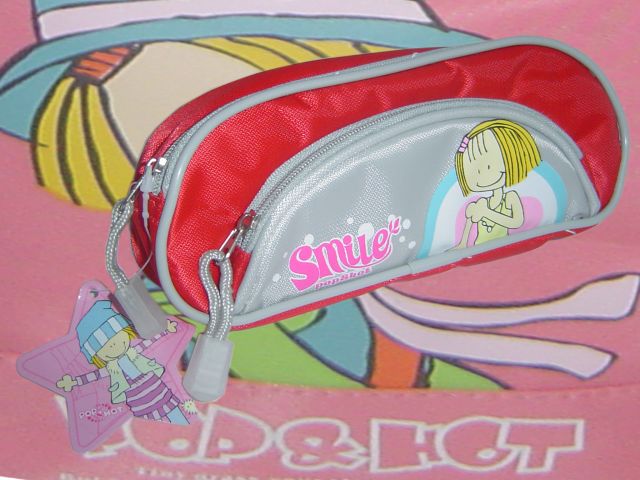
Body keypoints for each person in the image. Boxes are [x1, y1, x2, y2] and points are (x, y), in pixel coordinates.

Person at [56, 300, 189, 424]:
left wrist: (166, 330)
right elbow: (95, 375)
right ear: (97, 356)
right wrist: (74, 382)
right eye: (105, 347)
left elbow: (149, 342)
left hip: (155, 387)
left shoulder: (133, 352)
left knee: (172, 409)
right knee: (149, 420)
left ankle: (179, 420)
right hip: (136, 398)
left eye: (116, 339)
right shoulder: (111, 368)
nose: (113, 346)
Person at [453, 119, 541, 247]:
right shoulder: (481, 203)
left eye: (489, 166)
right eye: (476, 171)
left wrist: (486, 212)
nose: (482, 177)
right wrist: (462, 244)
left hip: (506, 247)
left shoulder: (510, 197)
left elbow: (516, 222)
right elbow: (468, 227)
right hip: (477, 248)